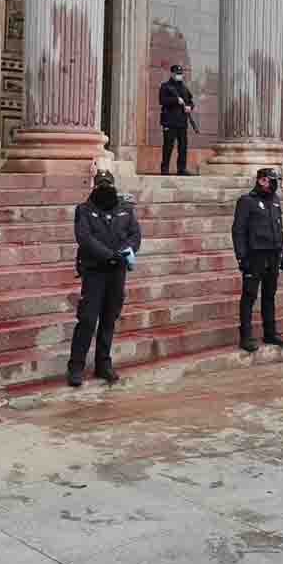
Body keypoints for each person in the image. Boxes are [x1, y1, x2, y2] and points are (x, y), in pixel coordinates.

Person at [68, 170, 142, 387]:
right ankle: (76, 366)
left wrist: (123, 252)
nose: (104, 187)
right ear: (94, 185)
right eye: (100, 184)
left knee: (109, 318)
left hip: (117, 272)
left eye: (107, 184)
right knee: (88, 319)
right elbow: (84, 238)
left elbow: (135, 235)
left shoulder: (125, 211)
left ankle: (103, 363)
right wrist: (108, 255)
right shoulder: (84, 210)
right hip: (95, 272)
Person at [232, 167, 283, 352]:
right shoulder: (247, 201)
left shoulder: (275, 201)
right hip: (254, 254)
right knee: (249, 296)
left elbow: (279, 228)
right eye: (272, 181)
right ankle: (246, 336)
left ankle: (270, 332)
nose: (275, 185)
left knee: (269, 295)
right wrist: (242, 257)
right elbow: (238, 231)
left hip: (273, 253)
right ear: (262, 180)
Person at [158, 64, 194, 176]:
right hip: (169, 121)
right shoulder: (165, 86)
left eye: (180, 74)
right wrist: (175, 100)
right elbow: (162, 101)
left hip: (182, 122)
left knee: (183, 147)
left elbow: (191, 101)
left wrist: (190, 107)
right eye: (177, 74)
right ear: (172, 73)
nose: (179, 75)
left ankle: (181, 169)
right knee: (168, 146)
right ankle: (165, 169)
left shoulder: (184, 87)